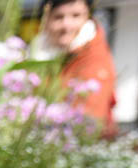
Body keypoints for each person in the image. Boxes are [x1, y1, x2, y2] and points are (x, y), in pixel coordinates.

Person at [31, 0, 117, 129]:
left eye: (76, 16)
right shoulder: (36, 53)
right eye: (58, 17)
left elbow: (88, 121)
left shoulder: (94, 57)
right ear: (46, 19)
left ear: (88, 16)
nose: (67, 26)